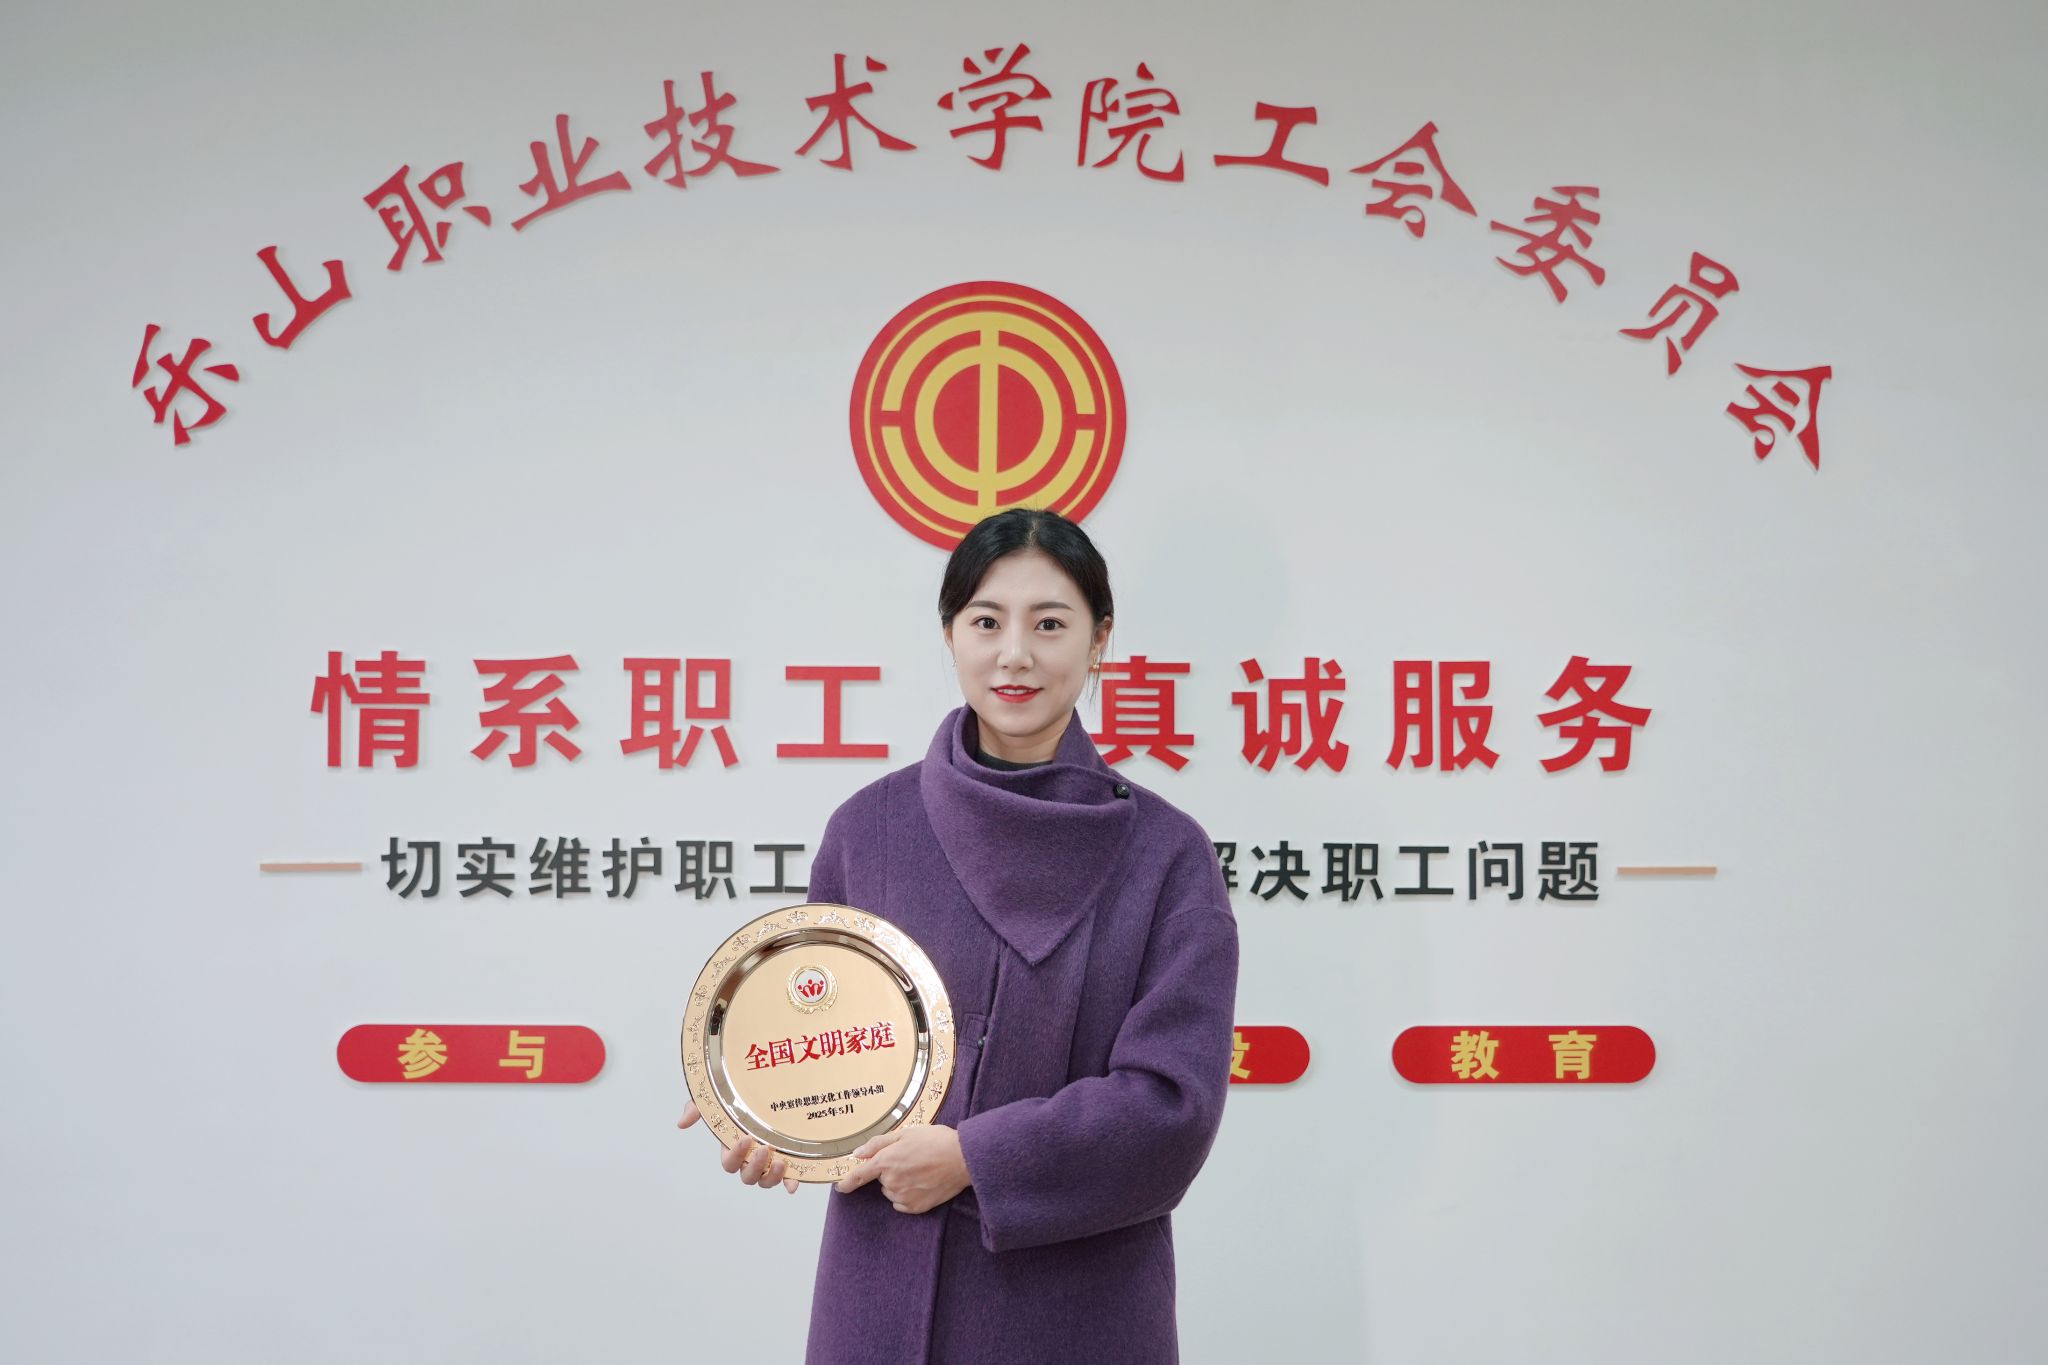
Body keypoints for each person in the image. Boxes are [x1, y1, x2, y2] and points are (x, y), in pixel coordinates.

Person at [678, 507, 1240, 1364]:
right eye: (986, 621)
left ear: (1100, 641)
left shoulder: (1168, 855)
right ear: (950, 634)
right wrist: (765, 1109)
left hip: (1079, 1315)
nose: (1014, 653)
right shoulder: (868, 830)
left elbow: (1173, 1108)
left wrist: (977, 1157)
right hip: (880, 1299)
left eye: (1049, 624)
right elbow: (821, 1033)